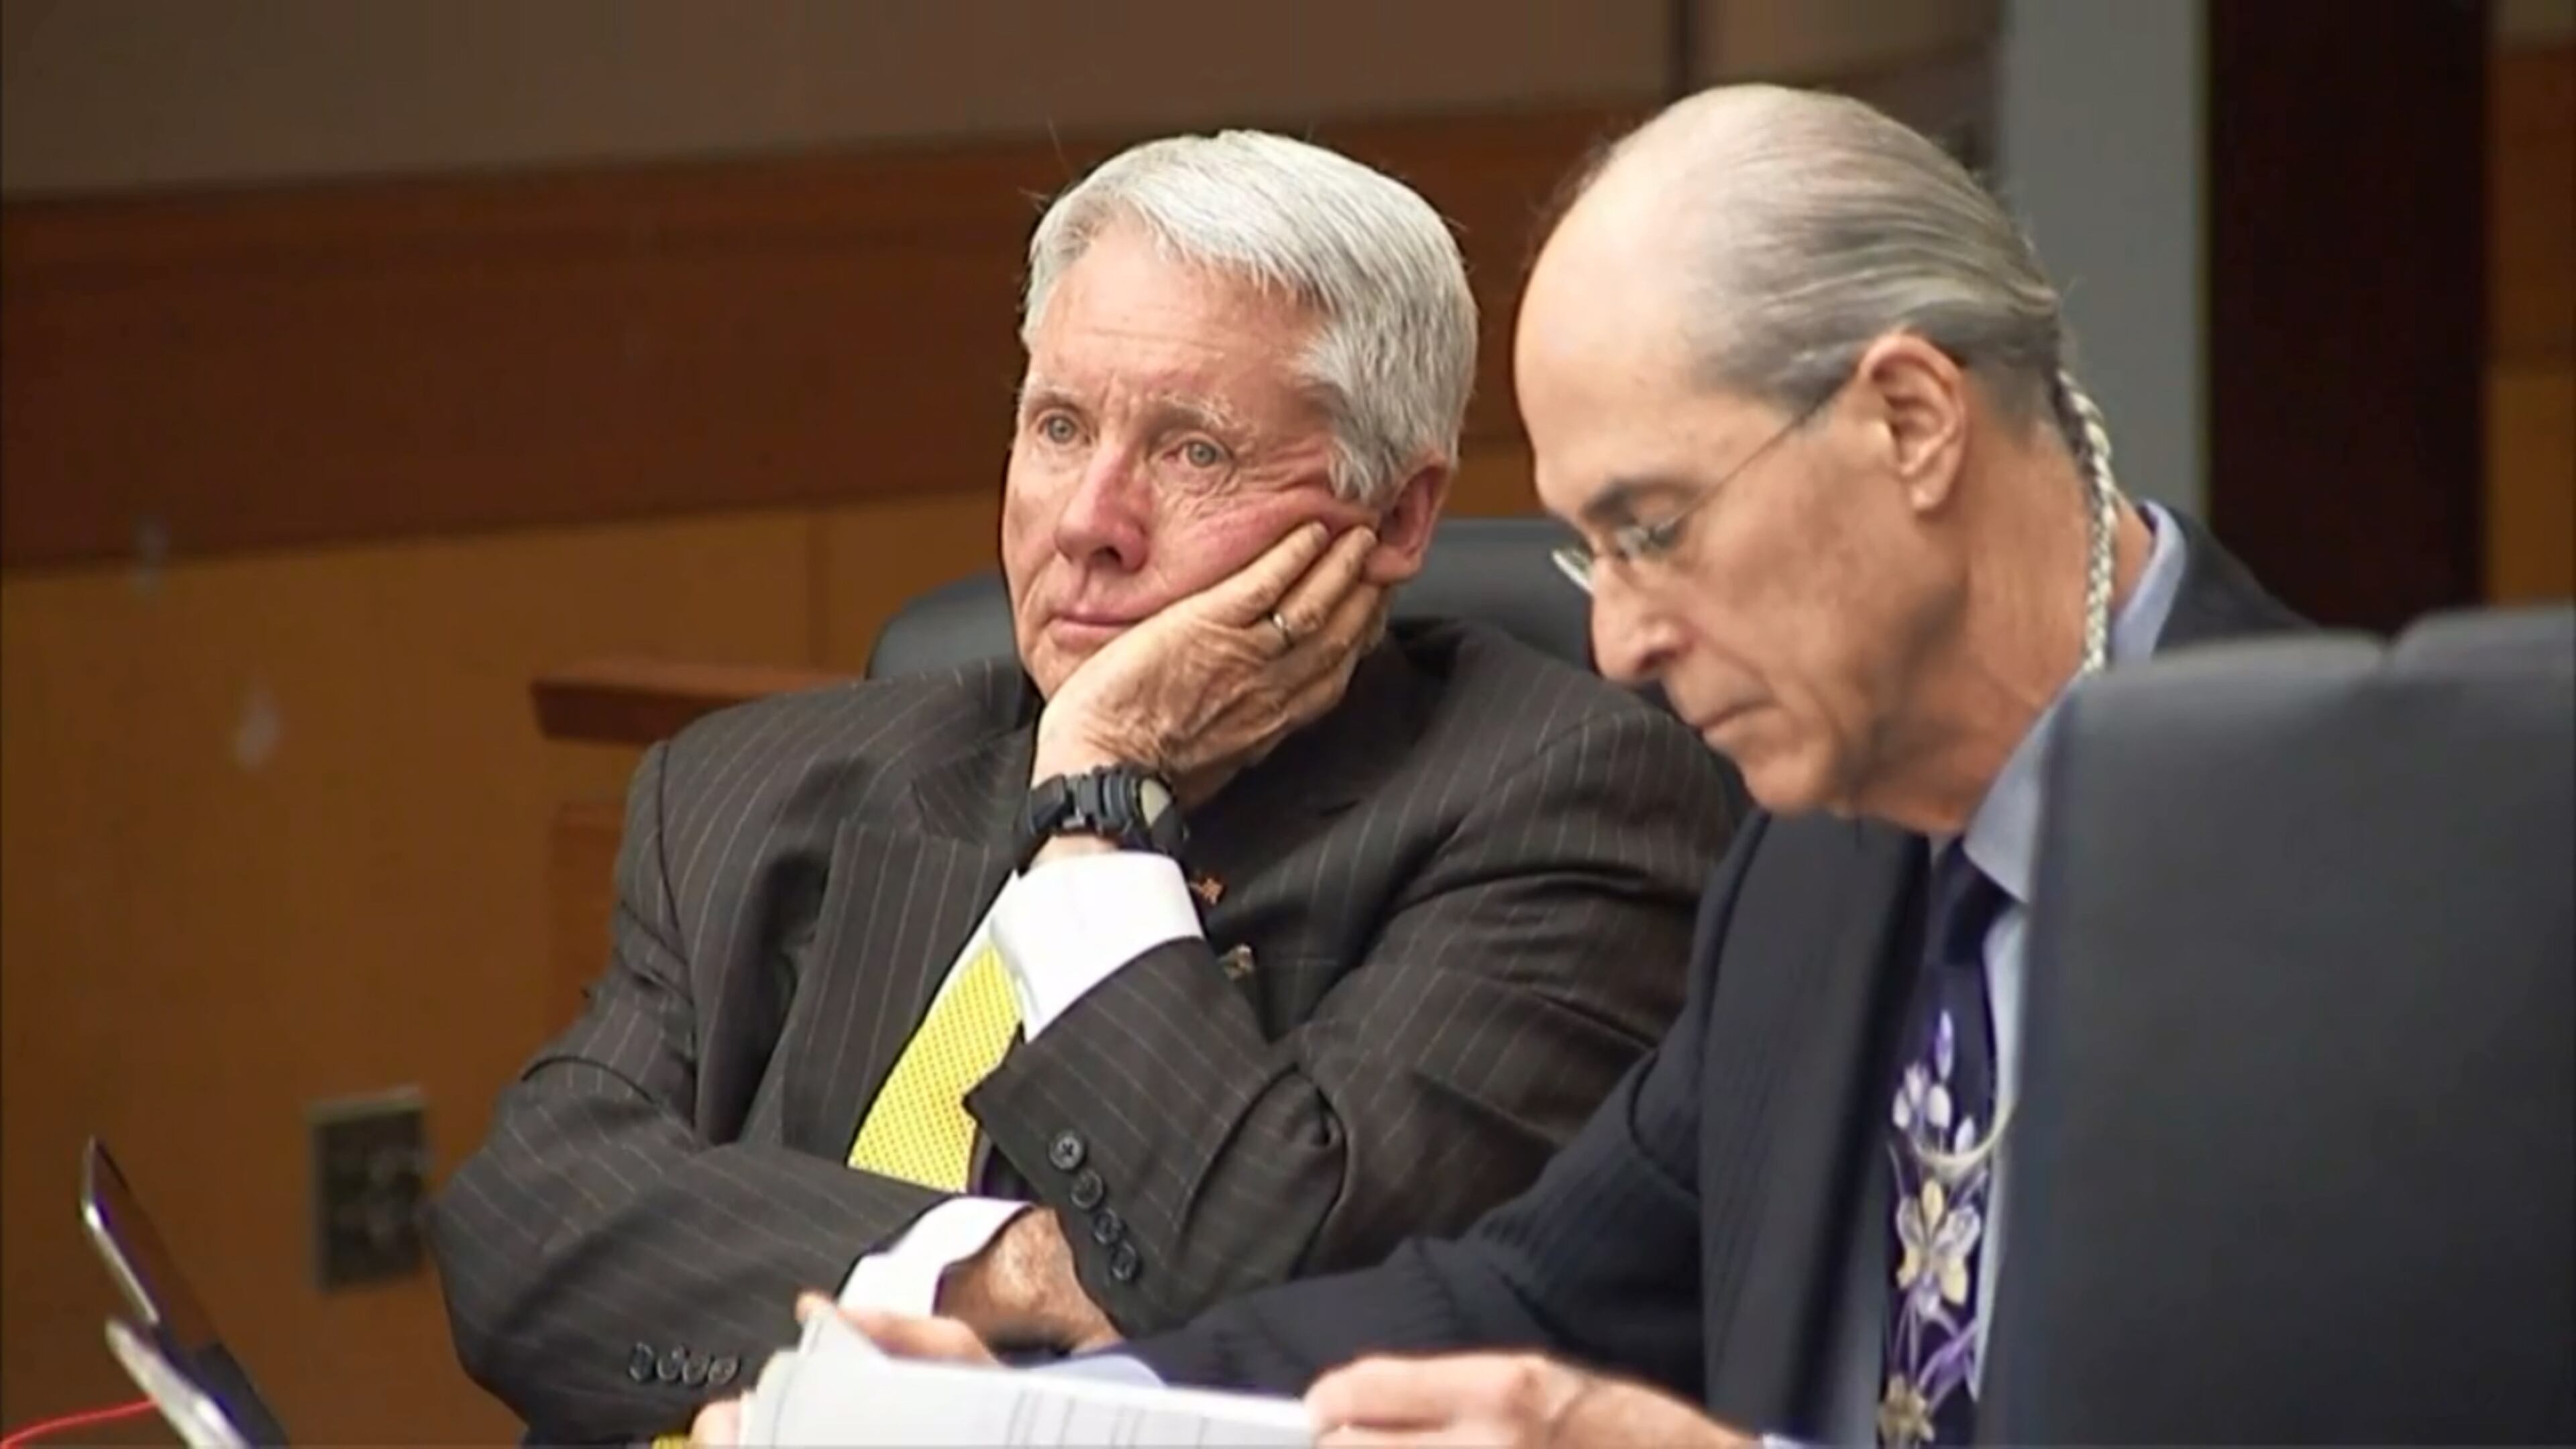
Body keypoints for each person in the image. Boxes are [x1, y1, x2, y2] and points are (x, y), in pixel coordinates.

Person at [708, 83, 2305, 1449]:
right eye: (1587, 555)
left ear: (1907, 422)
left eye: (1655, 532)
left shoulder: (2375, 864)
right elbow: (1522, 1290)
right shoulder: (1823, 852)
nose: (1622, 647)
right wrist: (1049, 1411)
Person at [426, 129, 1739, 1443]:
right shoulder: (754, 791)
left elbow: (1280, 1288)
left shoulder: (1565, 802)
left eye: (1194, 454)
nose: (1089, 521)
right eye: (1059, 427)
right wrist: (1008, 1270)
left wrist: (1099, 802)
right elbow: (523, 1231)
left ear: (1396, 519)